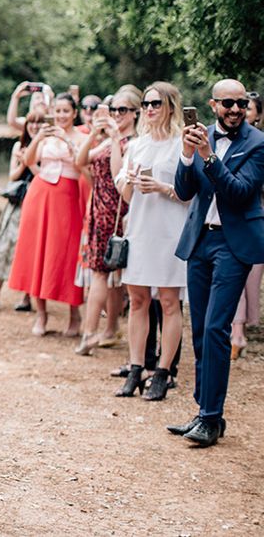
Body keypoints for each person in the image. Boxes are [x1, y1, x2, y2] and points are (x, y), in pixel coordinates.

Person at [168, 79, 264, 446]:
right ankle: (203, 412)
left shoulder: (258, 143)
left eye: (241, 103)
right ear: (213, 105)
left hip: (233, 244)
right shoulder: (201, 135)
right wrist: (186, 155)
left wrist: (209, 156)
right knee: (200, 331)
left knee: (215, 329)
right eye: (228, 103)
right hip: (200, 241)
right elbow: (185, 190)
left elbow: (240, 194)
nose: (235, 109)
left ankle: (212, 417)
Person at [114, 82, 188, 401]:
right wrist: (129, 181)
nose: (149, 109)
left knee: (169, 302)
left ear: (170, 106)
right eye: (145, 104)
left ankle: (163, 371)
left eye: (156, 103)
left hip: (171, 230)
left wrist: (160, 186)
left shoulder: (181, 144)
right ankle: (135, 368)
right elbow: (126, 196)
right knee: (138, 300)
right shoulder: (138, 145)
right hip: (141, 230)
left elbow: (190, 194)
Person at [7, 93, 86, 336]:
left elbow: (83, 165)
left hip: (68, 195)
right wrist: (40, 136)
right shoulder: (45, 135)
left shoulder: (82, 136)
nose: (62, 115)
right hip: (40, 193)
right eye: (58, 111)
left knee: (68, 252)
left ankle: (74, 315)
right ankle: (41, 314)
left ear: (74, 113)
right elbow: (29, 161)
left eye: (66, 111)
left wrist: (69, 142)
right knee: (37, 251)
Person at [74, 87, 141, 355]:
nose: (117, 115)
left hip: (118, 212)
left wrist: (114, 139)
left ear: (136, 113)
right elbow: (80, 161)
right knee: (105, 274)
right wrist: (93, 132)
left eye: (123, 110)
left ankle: (90, 332)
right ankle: (108, 329)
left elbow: (118, 175)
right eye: (114, 110)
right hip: (98, 210)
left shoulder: (133, 143)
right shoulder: (107, 140)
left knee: (101, 274)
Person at [0, 110, 44, 310]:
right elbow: (12, 176)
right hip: (16, 202)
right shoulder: (19, 145)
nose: (34, 126)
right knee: (4, 245)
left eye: (39, 123)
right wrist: (22, 162)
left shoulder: (47, 148)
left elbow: (45, 177)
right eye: (31, 123)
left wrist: (30, 162)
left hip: (35, 202)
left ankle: (26, 296)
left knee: (28, 248)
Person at [231, 90, 263, 359]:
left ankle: (240, 330)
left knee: (249, 278)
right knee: (235, 276)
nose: (240, 111)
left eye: (246, 107)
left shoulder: (259, 144)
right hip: (229, 218)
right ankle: (237, 332)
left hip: (255, 216)